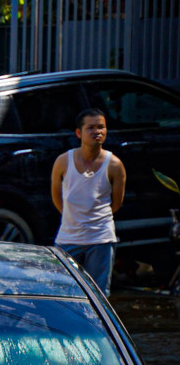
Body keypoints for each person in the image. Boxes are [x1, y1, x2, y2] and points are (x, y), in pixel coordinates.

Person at [51, 108, 125, 295]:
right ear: (79, 133)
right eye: (91, 128)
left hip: (100, 238)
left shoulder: (115, 164)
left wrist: (95, 220)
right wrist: (72, 216)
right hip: (68, 237)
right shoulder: (63, 161)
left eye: (101, 127)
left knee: (98, 294)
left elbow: (116, 204)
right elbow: (56, 197)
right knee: (63, 291)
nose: (97, 132)